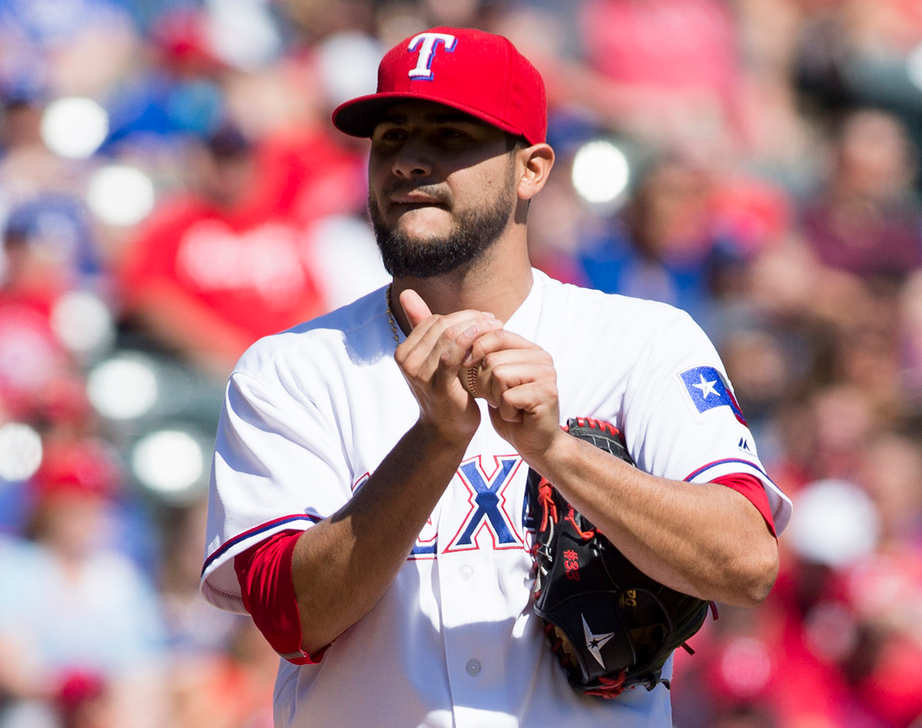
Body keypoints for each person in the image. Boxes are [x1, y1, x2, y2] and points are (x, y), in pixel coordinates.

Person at [201, 27, 792, 727]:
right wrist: (434, 443)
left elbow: (747, 563)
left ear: (532, 168)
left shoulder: (642, 341)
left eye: (449, 138)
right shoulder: (290, 368)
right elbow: (290, 620)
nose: (408, 162)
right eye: (391, 138)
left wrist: (558, 453)